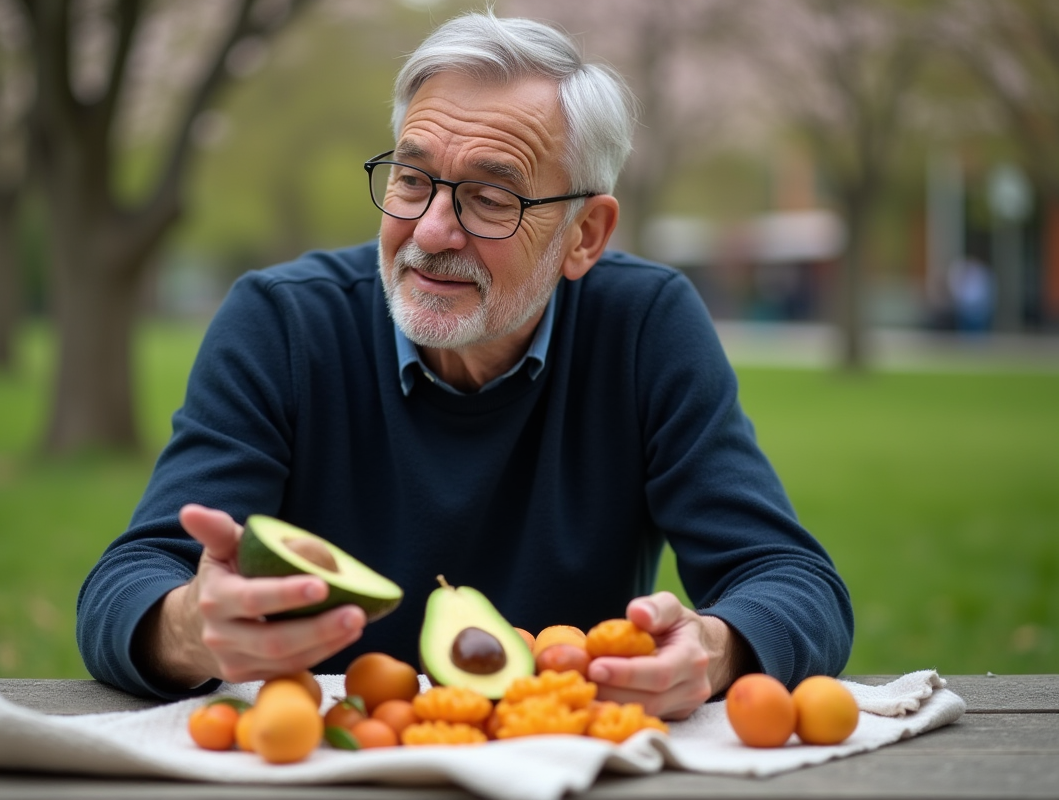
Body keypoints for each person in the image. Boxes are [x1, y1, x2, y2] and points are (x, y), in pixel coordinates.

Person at [77, 11, 853, 718]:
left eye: (490, 197)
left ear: (584, 234)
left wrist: (716, 649)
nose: (433, 230)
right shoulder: (280, 323)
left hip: (558, 759)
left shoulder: (645, 326)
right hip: (331, 760)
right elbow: (127, 584)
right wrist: (186, 629)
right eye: (412, 180)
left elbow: (795, 583)